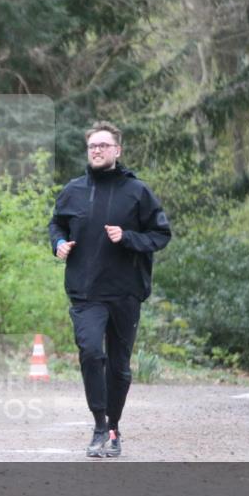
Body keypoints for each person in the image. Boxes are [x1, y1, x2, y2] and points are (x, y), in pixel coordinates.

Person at [48, 121, 171, 458]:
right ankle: (99, 423)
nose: (97, 151)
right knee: (90, 351)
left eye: (104, 145)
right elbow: (56, 223)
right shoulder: (73, 190)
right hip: (85, 291)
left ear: (117, 150)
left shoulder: (138, 192)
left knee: (118, 366)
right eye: (92, 146)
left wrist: (128, 238)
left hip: (126, 291)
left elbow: (160, 235)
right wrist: (57, 243)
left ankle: (113, 427)